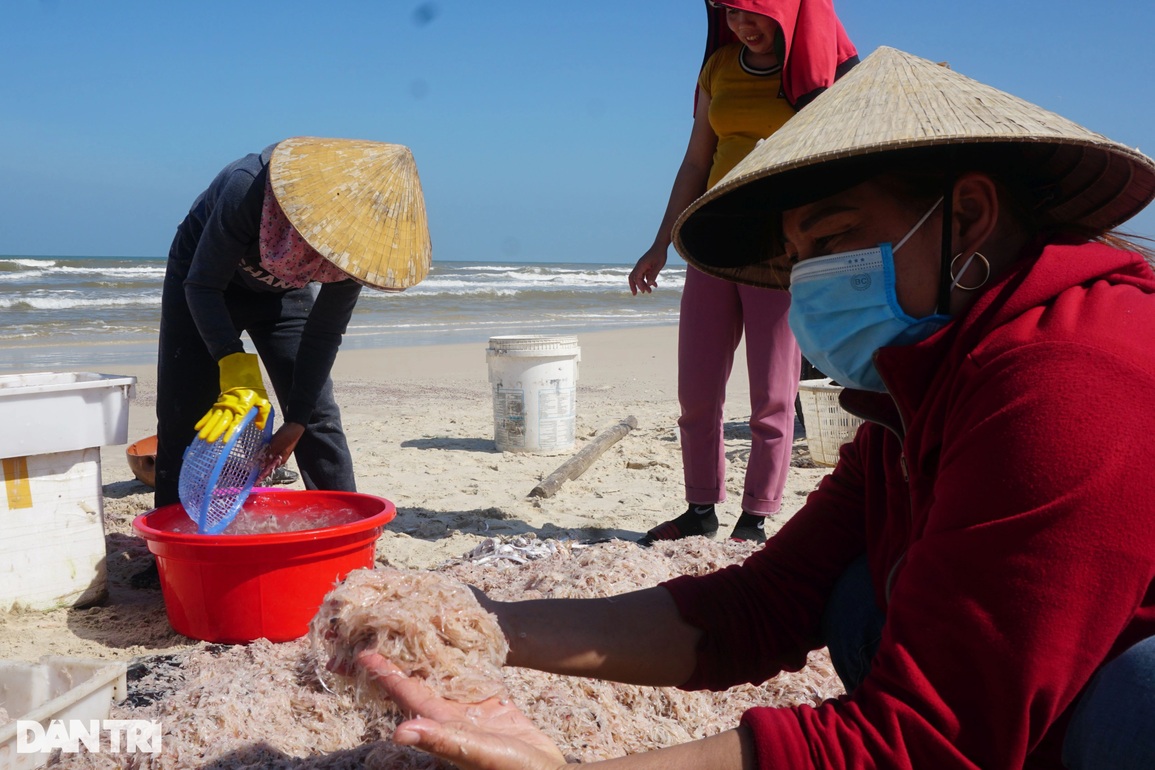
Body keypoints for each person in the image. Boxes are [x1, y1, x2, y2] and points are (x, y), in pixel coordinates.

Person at [348, 47, 1155, 769]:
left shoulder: (1074, 376)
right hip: (1042, 672)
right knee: (856, 593)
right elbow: (763, 605)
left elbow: (927, 737)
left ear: (968, 218)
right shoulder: (920, 383)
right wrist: (481, 625)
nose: (809, 284)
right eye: (797, 259)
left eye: (833, 240)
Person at [629, 0, 858, 545]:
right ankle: (700, 509)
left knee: (773, 394)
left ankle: (755, 517)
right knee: (698, 390)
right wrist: (661, 242)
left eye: (752, 13)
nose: (742, 26)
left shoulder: (816, 76)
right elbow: (695, 161)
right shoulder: (719, 68)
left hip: (781, 249)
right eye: (730, 14)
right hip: (712, 239)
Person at [153, 136, 431, 509]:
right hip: (203, 278)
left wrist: (297, 420)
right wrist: (236, 370)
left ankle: (342, 523)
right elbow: (202, 285)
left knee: (317, 414)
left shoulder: (352, 249)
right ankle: (171, 541)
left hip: (283, 295)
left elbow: (324, 332)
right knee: (184, 412)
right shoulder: (247, 184)